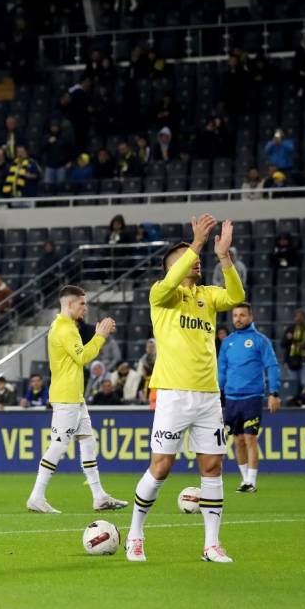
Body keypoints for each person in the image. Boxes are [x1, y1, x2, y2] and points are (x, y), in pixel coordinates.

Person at [125, 215, 243, 563]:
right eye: (187, 261)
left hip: (208, 395)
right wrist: (195, 244)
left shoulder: (207, 295)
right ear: (172, 267)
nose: (196, 264)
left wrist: (224, 256)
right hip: (173, 393)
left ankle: (211, 544)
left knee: (212, 468)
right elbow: (175, 275)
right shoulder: (161, 295)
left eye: (196, 260)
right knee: (161, 466)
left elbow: (237, 296)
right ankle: (135, 533)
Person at [27, 285, 126, 514]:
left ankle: (99, 496)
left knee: (88, 441)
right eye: (82, 303)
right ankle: (37, 496)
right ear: (69, 304)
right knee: (59, 445)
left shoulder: (63, 325)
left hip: (74, 396)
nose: (86, 307)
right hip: (66, 397)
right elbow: (83, 357)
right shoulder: (65, 329)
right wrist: (100, 336)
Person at [218, 303, 280, 494]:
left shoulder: (260, 340)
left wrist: (274, 393)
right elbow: (221, 370)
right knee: (238, 440)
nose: (238, 318)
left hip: (252, 396)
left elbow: (272, 366)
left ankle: (251, 480)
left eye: (242, 315)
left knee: (250, 437)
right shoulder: (227, 342)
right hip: (231, 398)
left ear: (250, 317)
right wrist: (218, 393)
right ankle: (245, 480)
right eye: (235, 315)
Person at [282, 309, 305, 397]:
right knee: (293, 384)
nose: (298, 319)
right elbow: (282, 344)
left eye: (300, 317)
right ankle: (293, 403)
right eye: (297, 317)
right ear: (294, 318)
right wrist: (288, 339)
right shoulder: (290, 329)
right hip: (292, 361)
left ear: (304, 318)